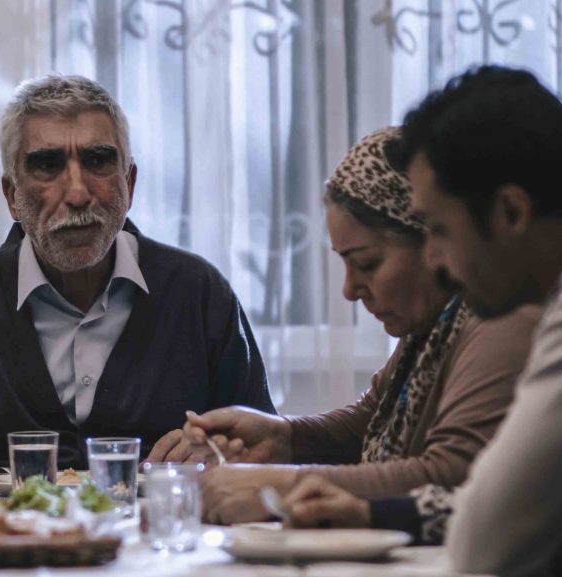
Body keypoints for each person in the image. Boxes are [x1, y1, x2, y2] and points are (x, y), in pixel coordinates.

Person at [0, 74, 275, 491]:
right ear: (11, 196)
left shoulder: (199, 296)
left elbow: (265, 446)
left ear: (129, 184)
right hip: (5, 534)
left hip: (157, 532)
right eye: (47, 165)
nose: (76, 194)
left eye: (97, 161)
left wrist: (222, 452)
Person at [281, 66, 562, 576]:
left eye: (437, 229)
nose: (432, 258)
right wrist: (373, 512)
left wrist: (279, 485)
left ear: (511, 212)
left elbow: (489, 533)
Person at [182, 126, 542, 525]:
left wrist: (285, 484)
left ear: (433, 244)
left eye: (367, 263)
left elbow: (451, 474)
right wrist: (283, 436)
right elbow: (368, 423)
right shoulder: (434, 325)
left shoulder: (500, 318)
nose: (349, 290)